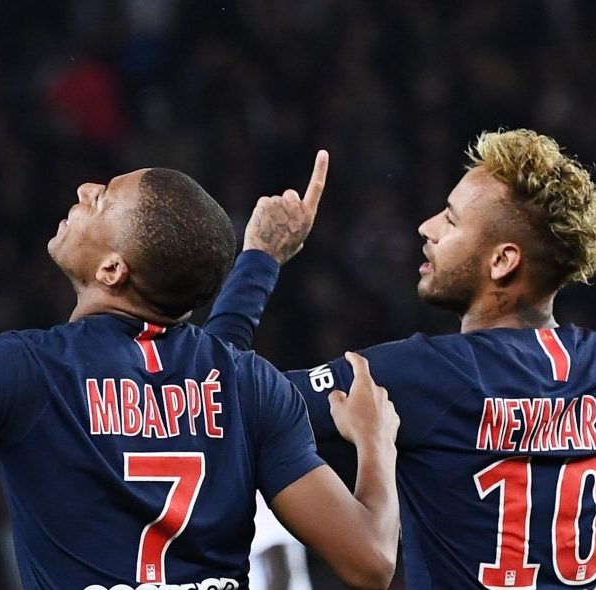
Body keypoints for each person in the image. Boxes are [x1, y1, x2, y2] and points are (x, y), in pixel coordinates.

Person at [0, 158, 401, 590]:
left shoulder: (24, 370)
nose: (84, 189)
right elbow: (371, 562)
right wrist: (375, 442)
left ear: (112, 269)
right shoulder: (250, 385)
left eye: (101, 200)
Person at [207, 129, 596, 589]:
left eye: (451, 220)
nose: (427, 227)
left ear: (502, 261)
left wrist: (260, 257)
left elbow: (213, 398)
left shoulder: (424, 376)